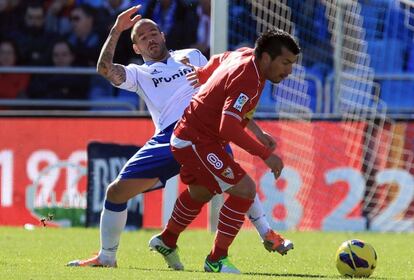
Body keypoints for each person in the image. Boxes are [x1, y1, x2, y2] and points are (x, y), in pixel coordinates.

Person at [67, 5, 292, 268]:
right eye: (142, 37)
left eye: (153, 33)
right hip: (169, 136)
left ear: (163, 36)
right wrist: (116, 30)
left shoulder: (193, 56)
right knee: (116, 193)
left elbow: (224, 92)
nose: (150, 39)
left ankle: (259, 234)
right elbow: (105, 68)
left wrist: (254, 129)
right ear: (137, 49)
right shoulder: (138, 74)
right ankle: (108, 257)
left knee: (222, 185)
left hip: (208, 129)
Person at [149, 29, 300, 274]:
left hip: (193, 136)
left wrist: (204, 74)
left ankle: (167, 240)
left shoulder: (244, 55)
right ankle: (216, 260)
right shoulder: (249, 80)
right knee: (245, 190)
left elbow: (219, 60)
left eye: (292, 64)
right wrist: (265, 153)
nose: (289, 70)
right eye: (285, 63)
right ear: (266, 58)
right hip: (196, 141)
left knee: (201, 192)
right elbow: (228, 126)